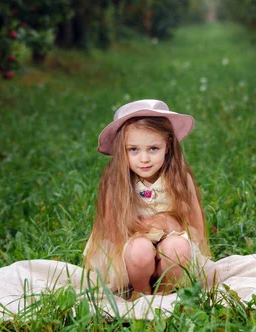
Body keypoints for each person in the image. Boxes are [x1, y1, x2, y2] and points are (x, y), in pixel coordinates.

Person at [83, 99, 210, 299]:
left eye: (153, 149)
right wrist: (143, 227)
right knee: (140, 249)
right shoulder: (116, 180)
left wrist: (171, 223)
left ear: (167, 146)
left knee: (177, 247)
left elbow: (196, 227)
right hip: (130, 255)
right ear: (121, 149)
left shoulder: (178, 178)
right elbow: (111, 229)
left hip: (171, 254)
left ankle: (165, 291)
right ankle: (140, 291)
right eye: (133, 149)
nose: (144, 159)